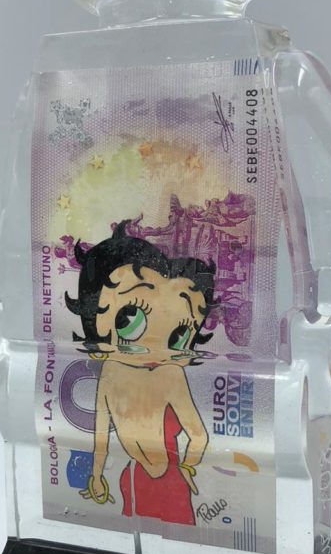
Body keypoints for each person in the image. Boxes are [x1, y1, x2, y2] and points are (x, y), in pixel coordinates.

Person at [66, 221, 217, 525]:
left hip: (139, 478)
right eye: (130, 318)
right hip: (151, 480)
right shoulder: (167, 375)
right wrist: (187, 467)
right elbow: (198, 437)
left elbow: (101, 437)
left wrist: (97, 475)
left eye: (179, 336)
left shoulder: (123, 372)